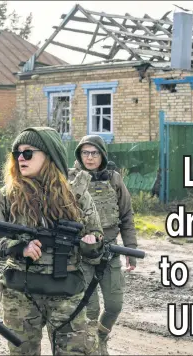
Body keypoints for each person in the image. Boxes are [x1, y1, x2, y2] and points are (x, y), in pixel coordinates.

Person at [0, 127, 104, 355]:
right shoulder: (9, 194)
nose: (21, 159)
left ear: (49, 154)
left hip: (66, 291)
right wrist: (17, 247)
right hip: (20, 292)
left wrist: (92, 244)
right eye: (17, 154)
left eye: (28, 153)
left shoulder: (76, 194)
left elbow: (97, 239)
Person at [68, 135, 138, 355]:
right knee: (90, 308)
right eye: (85, 153)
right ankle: (92, 349)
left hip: (110, 251)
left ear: (102, 155)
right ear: (79, 154)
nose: (90, 157)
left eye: (94, 153)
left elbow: (126, 215)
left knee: (114, 305)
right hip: (82, 253)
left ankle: (100, 337)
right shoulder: (70, 179)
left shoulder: (114, 179)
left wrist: (131, 250)